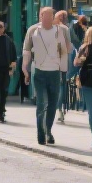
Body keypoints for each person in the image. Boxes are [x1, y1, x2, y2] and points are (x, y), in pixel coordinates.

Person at [23, 8, 71, 145]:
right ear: (40, 16)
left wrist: (64, 69)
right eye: (46, 16)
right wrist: (25, 69)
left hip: (55, 72)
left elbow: (67, 50)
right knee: (41, 103)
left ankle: (48, 130)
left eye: (51, 17)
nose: (49, 19)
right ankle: (41, 134)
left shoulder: (61, 31)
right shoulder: (33, 30)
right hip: (39, 72)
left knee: (52, 104)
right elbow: (26, 50)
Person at [54, 10, 76, 123]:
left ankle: (56, 108)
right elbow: (71, 46)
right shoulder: (67, 29)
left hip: (52, 62)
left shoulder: (51, 28)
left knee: (56, 85)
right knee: (62, 85)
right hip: (63, 61)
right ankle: (59, 109)